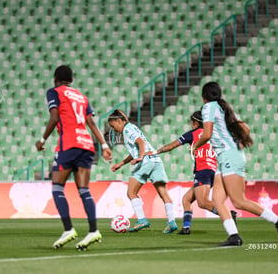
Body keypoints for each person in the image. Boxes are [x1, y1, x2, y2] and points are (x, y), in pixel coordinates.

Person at [192, 81, 278, 246]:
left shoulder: (209, 108)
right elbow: (245, 128)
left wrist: (196, 146)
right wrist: (237, 145)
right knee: (217, 200)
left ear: (204, 96)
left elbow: (207, 134)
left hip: (229, 157)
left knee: (238, 201)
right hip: (226, 157)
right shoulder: (222, 108)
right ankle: (234, 236)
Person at [36, 65, 112, 250]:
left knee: (57, 188)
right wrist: (104, 145)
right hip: (86, 144)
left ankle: (68, 229)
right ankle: (93, 230)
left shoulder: (54, 92)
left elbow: (54, 117)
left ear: (55, 79)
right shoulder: (81, 97)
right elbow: (91, 122)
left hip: (68, 144)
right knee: (84, 190)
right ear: (71, 80)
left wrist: (42, 139)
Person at [145, 111, 236, 235]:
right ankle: (186, 228)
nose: (191, 125)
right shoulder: (211, 134)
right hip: (213, 170)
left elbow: (173, 145)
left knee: (203, 202)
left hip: (203, 170)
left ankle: (229, 215)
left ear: (195, 123)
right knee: (186, 199)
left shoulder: (194, 134)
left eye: (191, 122)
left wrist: (156, 152)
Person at [108, 109, 177, 234]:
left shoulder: (127, 130)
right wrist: (122, 163)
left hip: (145, 161)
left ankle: (142, 220)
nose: (113, 129)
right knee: (163, 193)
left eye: (113, 126)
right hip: (155, 161)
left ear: (119, 121)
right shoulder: (131, 127)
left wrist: (140, 157)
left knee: (131, 192)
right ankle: (172, 222)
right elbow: (134, 150)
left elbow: (140, 142)